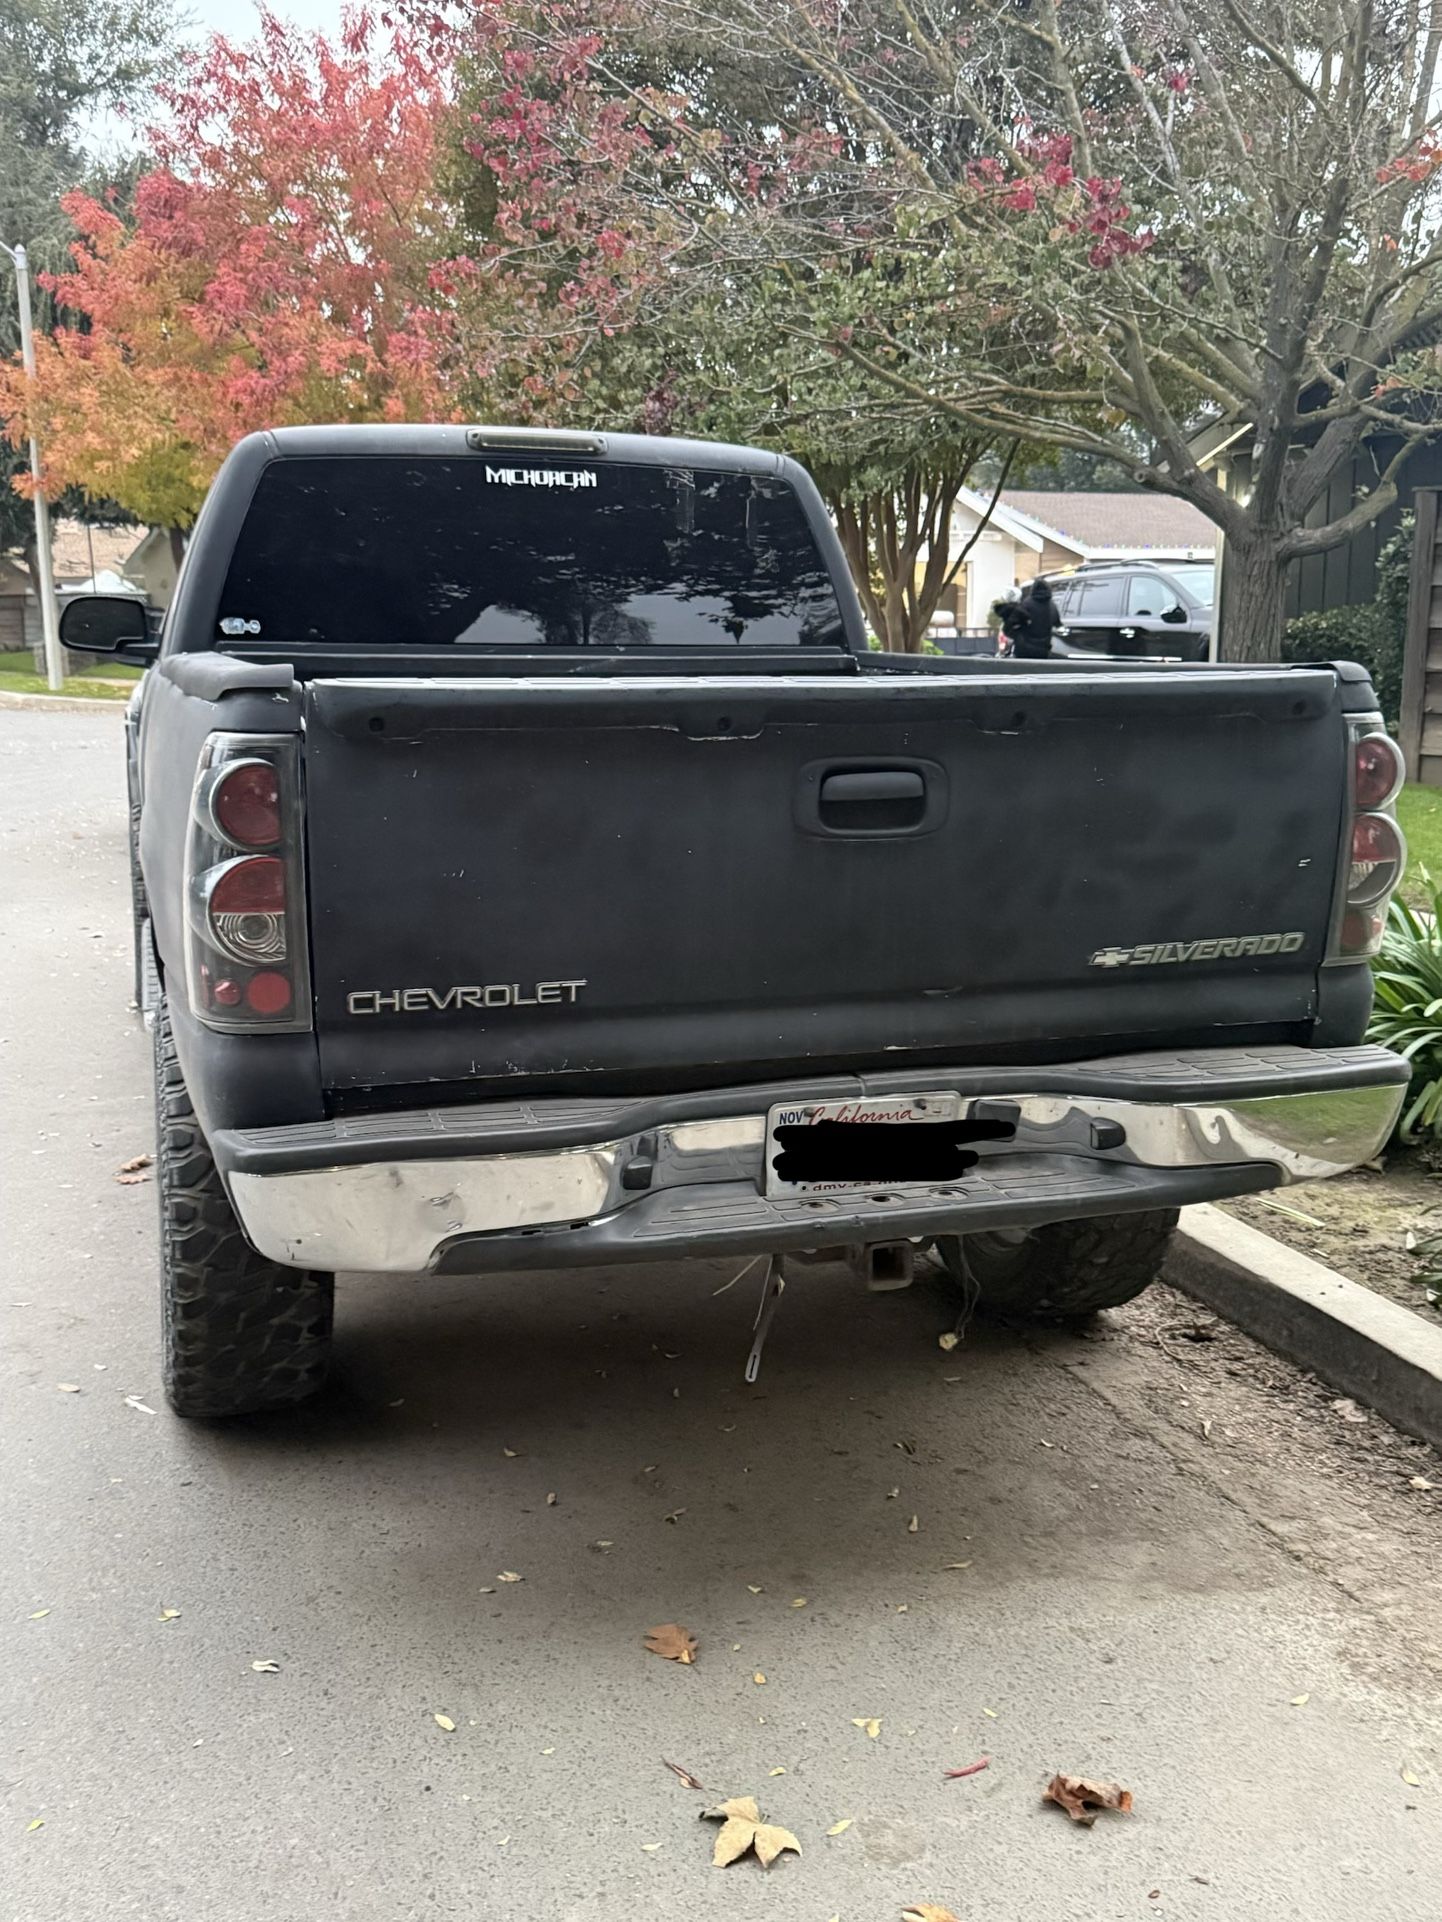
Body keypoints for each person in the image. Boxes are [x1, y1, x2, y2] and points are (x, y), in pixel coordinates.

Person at [994, 576, 1063, 659]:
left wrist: (1017, 637)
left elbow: (1009, 626)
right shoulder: (1052, 606)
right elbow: (1058, 625)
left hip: (1024, 649)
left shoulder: (1026, 604)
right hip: (1044, 649)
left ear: (1033, 590)